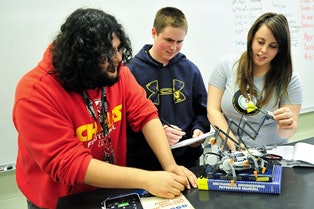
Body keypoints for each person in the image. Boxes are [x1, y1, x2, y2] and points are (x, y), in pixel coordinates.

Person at [12, 8, 198, 209]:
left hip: (108, 191)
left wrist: (169, 165)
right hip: (58, 201)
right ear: (81, 59)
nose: (117, 59)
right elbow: (70, 164)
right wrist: (146, 179)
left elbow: (145, 114)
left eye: (118, 49)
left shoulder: (116, 72)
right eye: (107, 55)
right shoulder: (34, 93)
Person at [126, 7, 211, 170]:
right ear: (154, 32)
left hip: (187, 160)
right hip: (144, 164)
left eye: (180, 42)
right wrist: (157, 134)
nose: (174, 47)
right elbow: (123, 121)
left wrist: (199, 130)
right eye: (169, 40)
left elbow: (202, 111)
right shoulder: (130, 72)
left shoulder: (190, 70)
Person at [207, 12, 302, 150]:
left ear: (280, 50)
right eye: (260, 42)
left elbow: (286, 132)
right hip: (229, 154)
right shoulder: (226, 66)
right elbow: (213, 110)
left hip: (271, 155)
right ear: (251, 38)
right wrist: (237, 148)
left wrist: (287, 126)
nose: (263, 50)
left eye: (273, 46)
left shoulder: (290, 77)